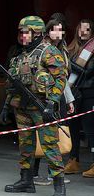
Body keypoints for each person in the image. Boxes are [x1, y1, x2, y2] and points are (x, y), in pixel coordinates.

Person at [1, 16, 68, 196]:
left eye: (26, 32)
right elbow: (12, 84)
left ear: (37, 33)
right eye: (21, 32)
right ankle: (26, 180)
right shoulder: (19, 56)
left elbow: (60, 79)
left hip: (42, 108)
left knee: (49, 146)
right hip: (22, 109)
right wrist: (6, 106)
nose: (22, 36)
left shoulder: (48, 52)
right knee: (25, 146)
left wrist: (52, 102)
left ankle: (59, 184)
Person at [32, 17, 74, 186]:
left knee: (54, 135)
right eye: (55, 29)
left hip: (58, 97)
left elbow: (62, 79)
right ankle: (33, 173)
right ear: (48, 31)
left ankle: (52, 173)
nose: (58, 33)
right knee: (38, 133)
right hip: (42, 96)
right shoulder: (41, 49)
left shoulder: (62, 50)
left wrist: (69, 99)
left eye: (61, 30)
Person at [65, 19, 94, 177]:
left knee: (91, 131)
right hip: (74, 94)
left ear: (91, 32)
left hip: (90, 93)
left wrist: (67, 63)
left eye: (87, 30)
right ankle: (73, 160)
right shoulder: (72, 48)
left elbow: (87, 72)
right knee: (73, 128)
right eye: (80, 29)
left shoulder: (92, 47)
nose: (83, 33)